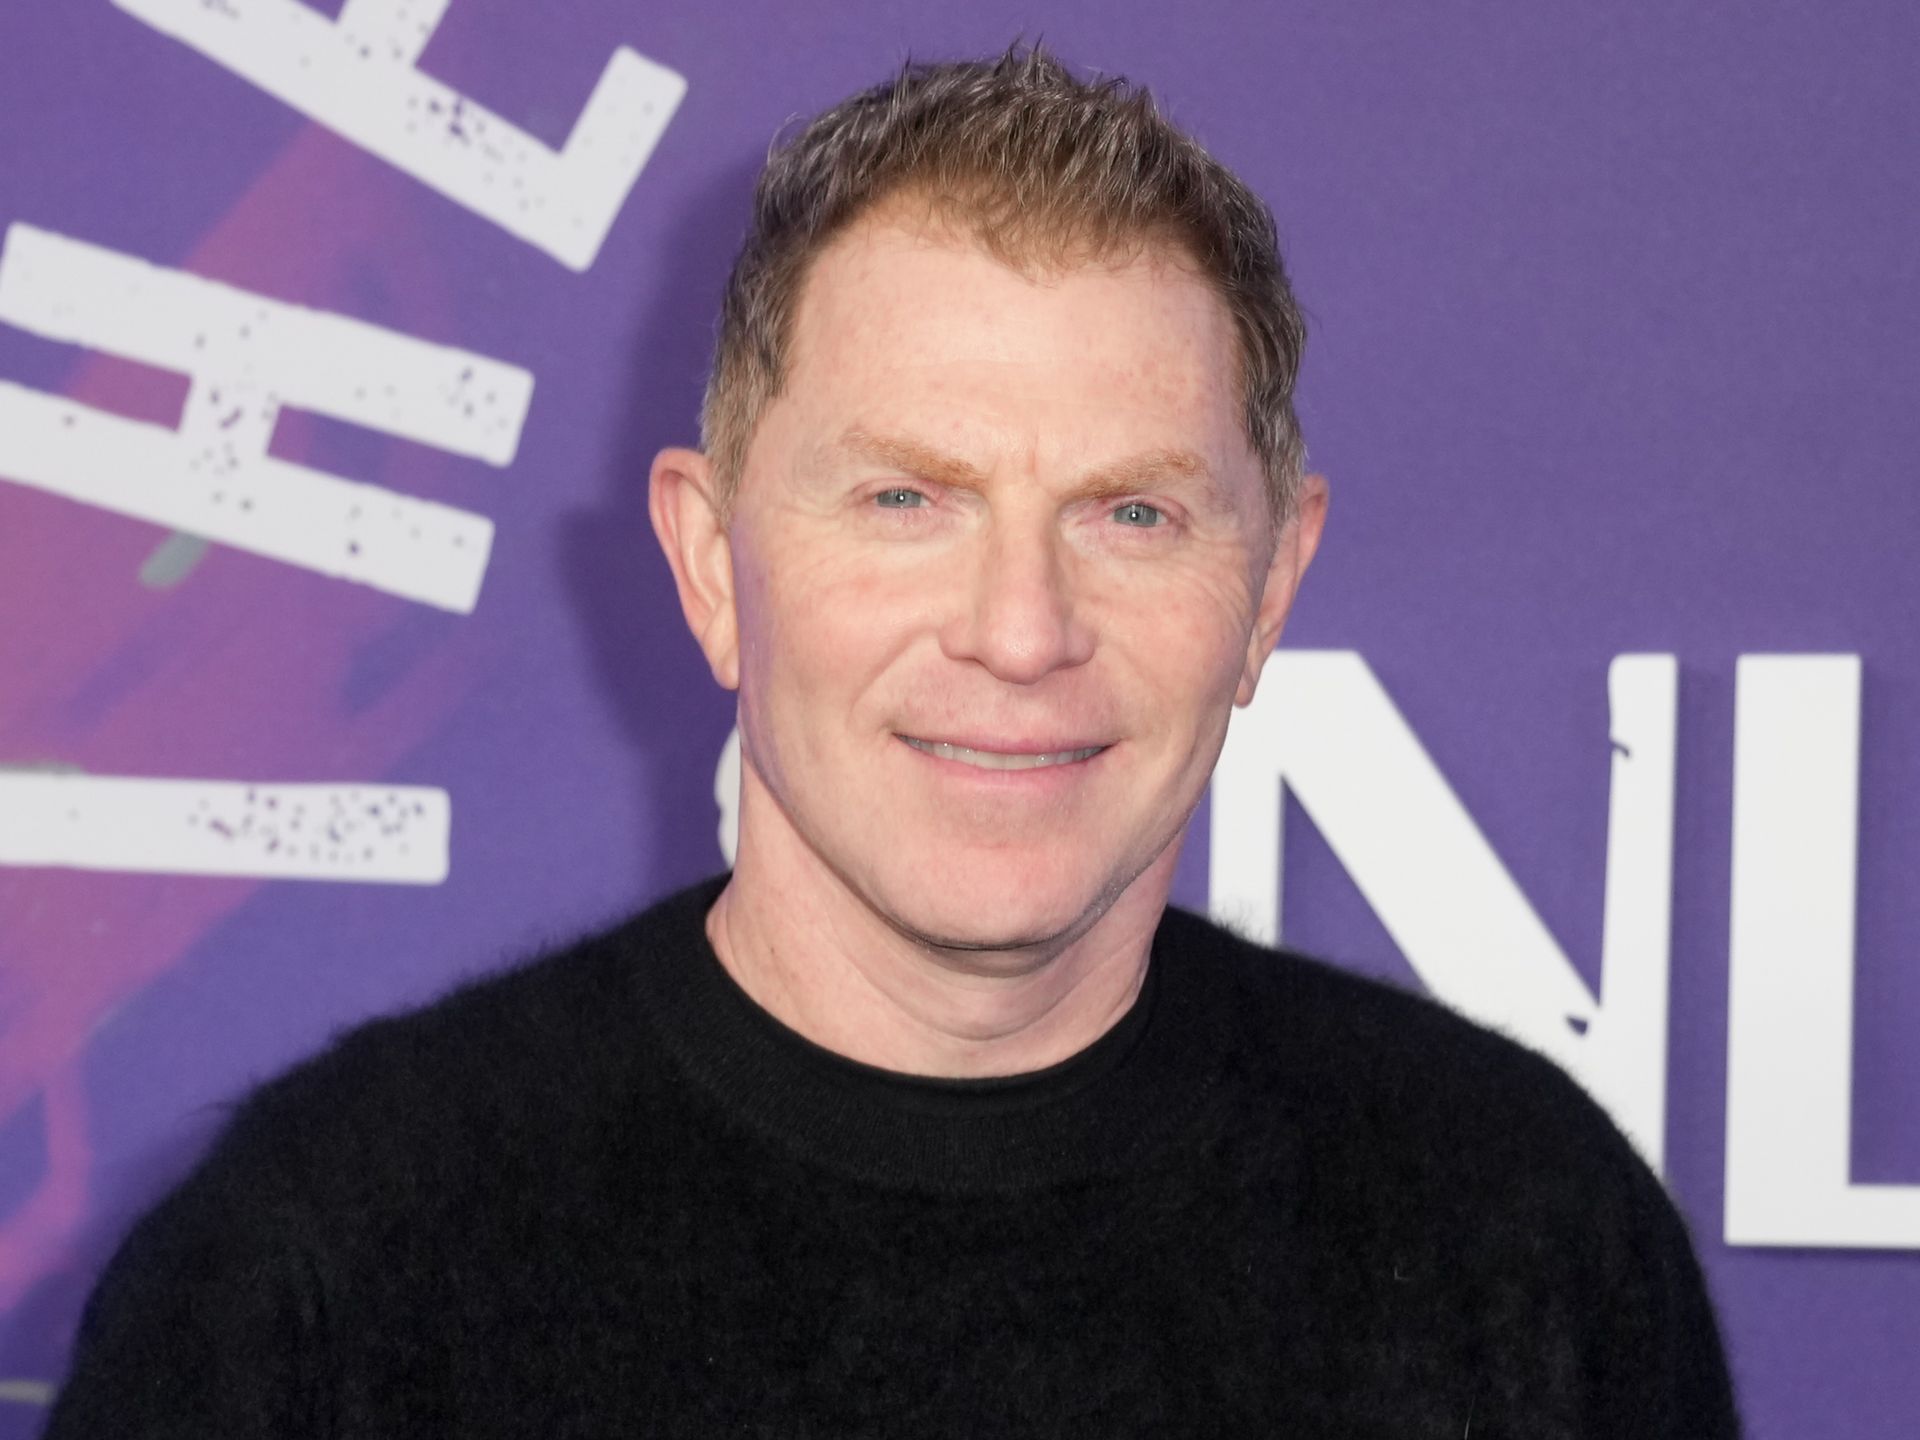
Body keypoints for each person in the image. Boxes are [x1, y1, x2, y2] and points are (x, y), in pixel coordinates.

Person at [44, 44, 1740, 1438]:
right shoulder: (315, 1279)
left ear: (1270, 586)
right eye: (906, 500)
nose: (1021, 629)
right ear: (712, 566)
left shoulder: (1529, 1243)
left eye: (1134, 513)